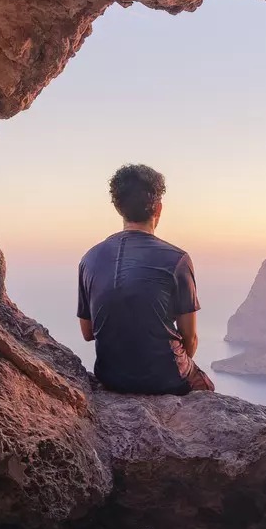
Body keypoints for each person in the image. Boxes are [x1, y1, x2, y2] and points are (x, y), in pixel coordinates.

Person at [77, 164, 216, 395]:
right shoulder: (178, 260)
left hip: (110, 377)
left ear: (118, 207)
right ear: (158, 208)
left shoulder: (89, 259)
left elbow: (88, 333)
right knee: (206, 388)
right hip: (166, 379)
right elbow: (189, 338)